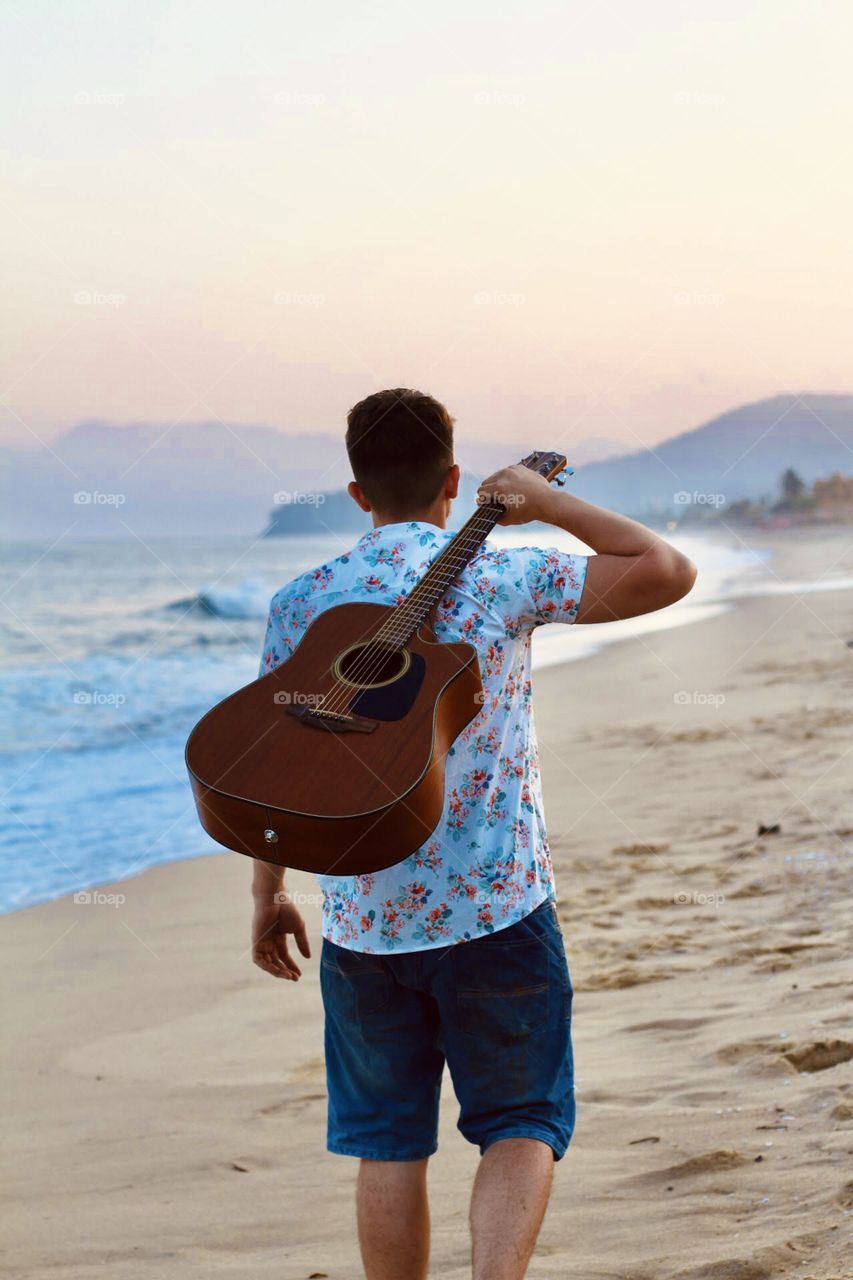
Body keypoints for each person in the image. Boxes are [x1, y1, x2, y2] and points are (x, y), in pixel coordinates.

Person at [252, 388, 696, 1280]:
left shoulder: (301, 602)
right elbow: (665, 568)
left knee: (388, 1144)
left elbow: (278, 763)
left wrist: (269, 895)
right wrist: (549, 502)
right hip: (497, 907)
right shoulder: (505, 574)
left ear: (355, 491)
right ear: (454, 480)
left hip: (364, 920)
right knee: (521, 1121)